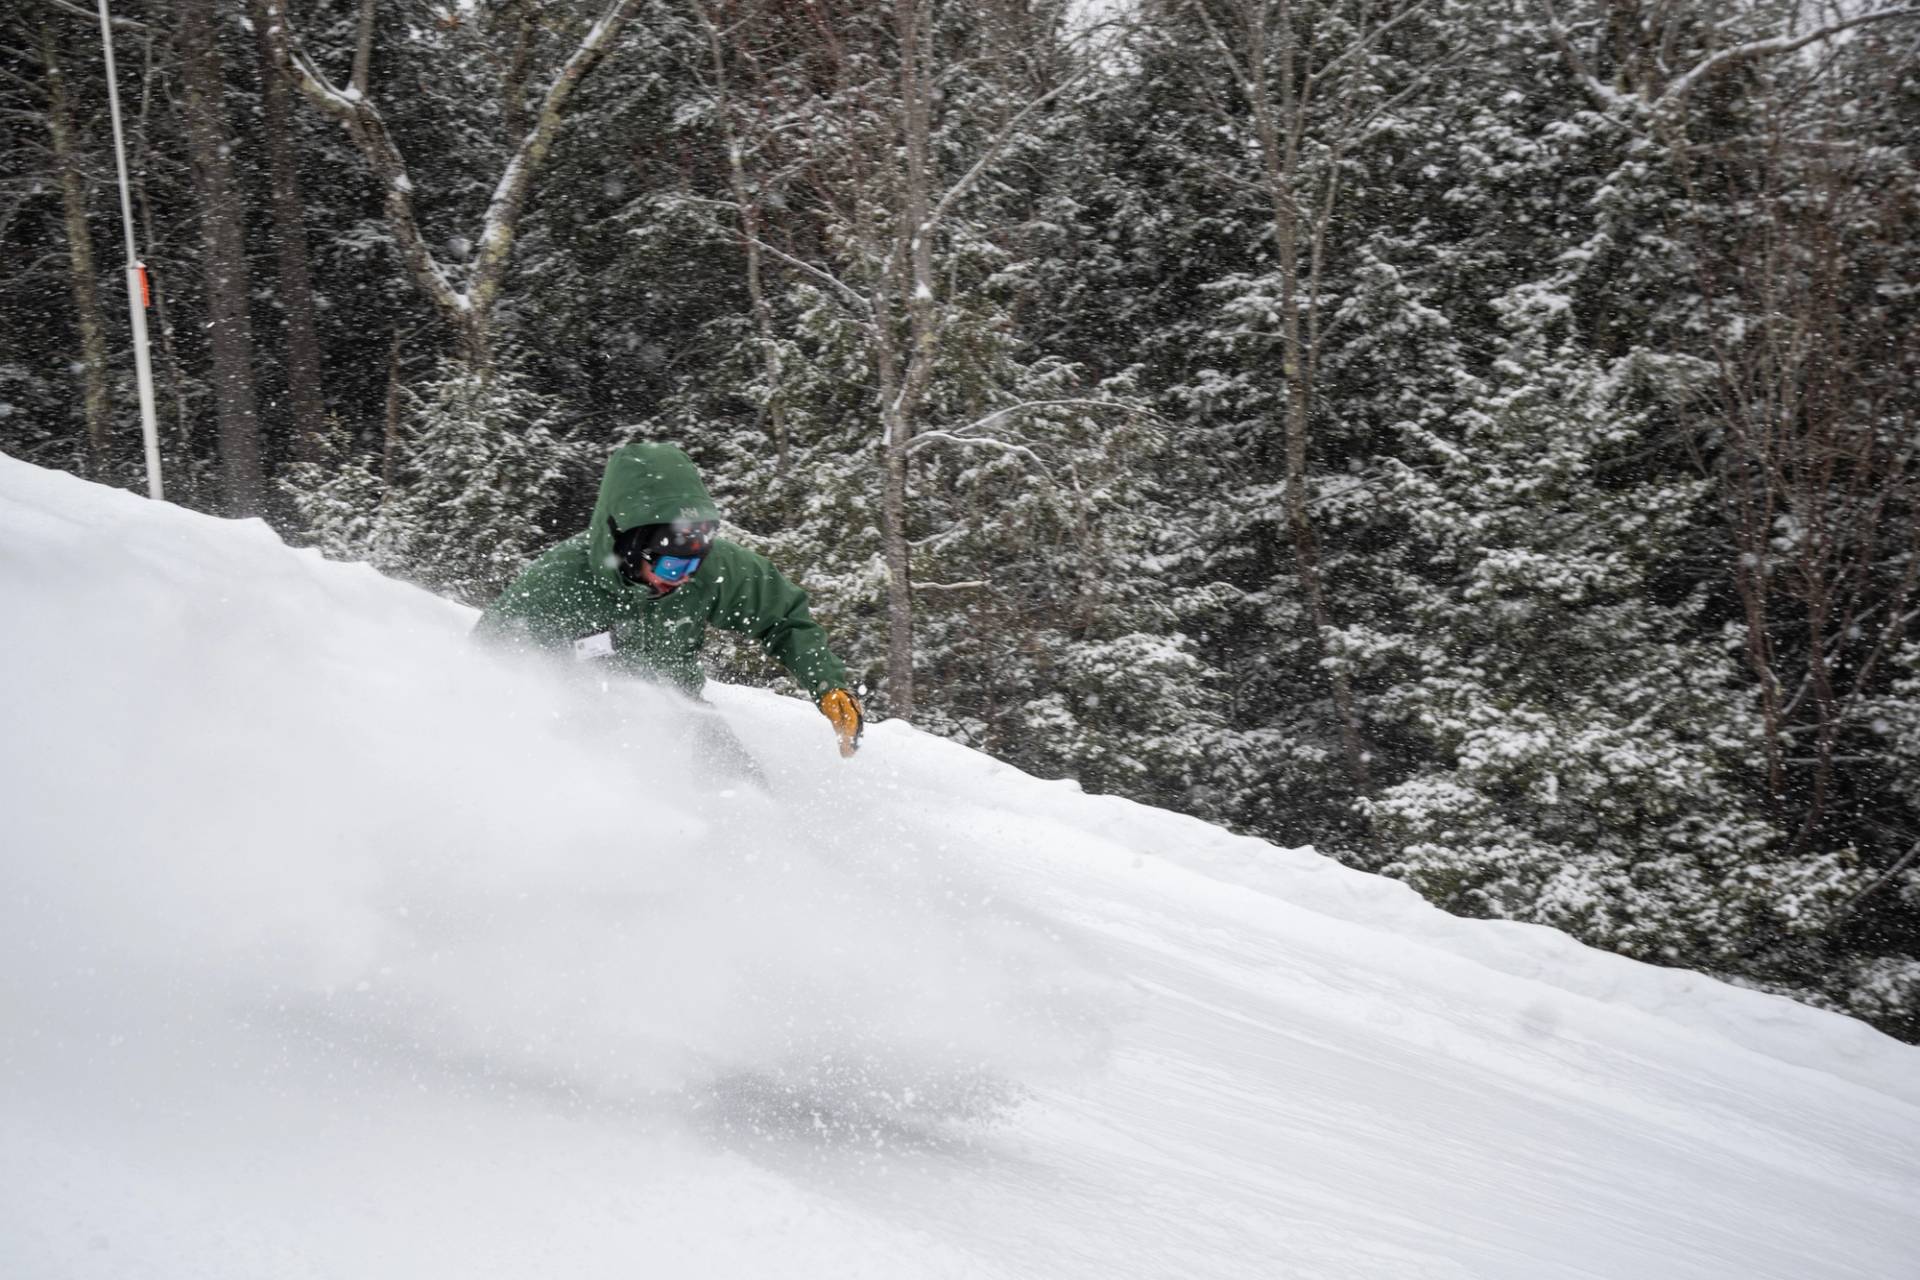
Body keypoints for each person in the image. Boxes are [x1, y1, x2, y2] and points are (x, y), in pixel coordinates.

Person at [475, 442, 863, 760]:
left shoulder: (709, 569)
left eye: (698, 560)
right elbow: (484, 667)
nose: (688, 575)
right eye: (675, 565)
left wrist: (827, 685)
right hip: (579, 738)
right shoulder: (558, 584)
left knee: (747, 803)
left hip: (684, 722)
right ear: (628, 547)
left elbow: (783, 619)